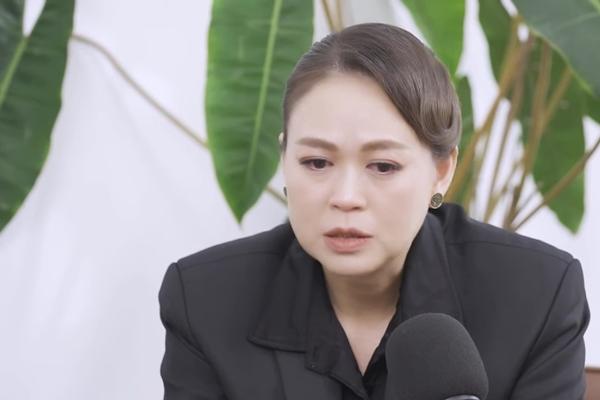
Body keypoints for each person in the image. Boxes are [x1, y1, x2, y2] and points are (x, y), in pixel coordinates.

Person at [159, 23, 590, 399]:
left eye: (383, 166)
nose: (346, 197)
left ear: (442, 171)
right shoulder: (204, 300)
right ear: (285, 159)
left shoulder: (537, 296)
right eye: (317, 162)